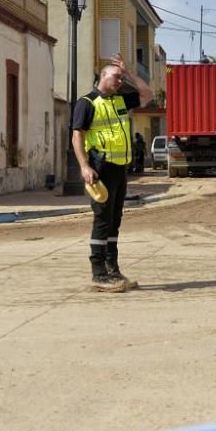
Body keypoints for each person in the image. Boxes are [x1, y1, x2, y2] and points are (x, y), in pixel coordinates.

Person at [71, 54, 154, 292]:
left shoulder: (119, 101)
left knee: (115, 221)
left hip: (119, 170)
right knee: (102, 221)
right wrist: (84, 166)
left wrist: (129, 72)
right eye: (115, 77)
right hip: (100, 170)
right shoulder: (86, 102)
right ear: (102, 76)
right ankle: (98, 273)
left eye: (120, 78)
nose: (118, 82)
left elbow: (147, 95)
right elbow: (77, 135)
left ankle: (113, 268)